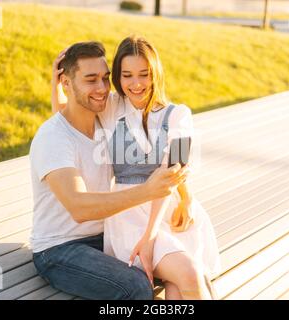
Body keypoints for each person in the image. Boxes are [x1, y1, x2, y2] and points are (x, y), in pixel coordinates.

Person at [52, 36, 222, 300]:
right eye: (127, 75)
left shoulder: (179, 116)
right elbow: (65, 117)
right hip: (128, 217)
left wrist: (155, 233)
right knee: (188, 273)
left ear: (156, 73)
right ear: (118, 77)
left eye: (144, 74)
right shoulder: (110, 107)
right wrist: (58, 82)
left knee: (179, 287)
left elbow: (170, 174)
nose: (136, 84)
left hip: (169, 214)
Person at [29, 41, 187, 300]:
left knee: (181, 266)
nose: (102, 89)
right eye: (91, 80)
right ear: (66, 83)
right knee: (137, 287)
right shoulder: (52, 137)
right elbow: (79, 208)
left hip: (106, 235)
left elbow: (168, 154)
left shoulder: (103, 122)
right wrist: (146, 191)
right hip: (60, 248)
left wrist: (185, 195)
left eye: (105, 78)